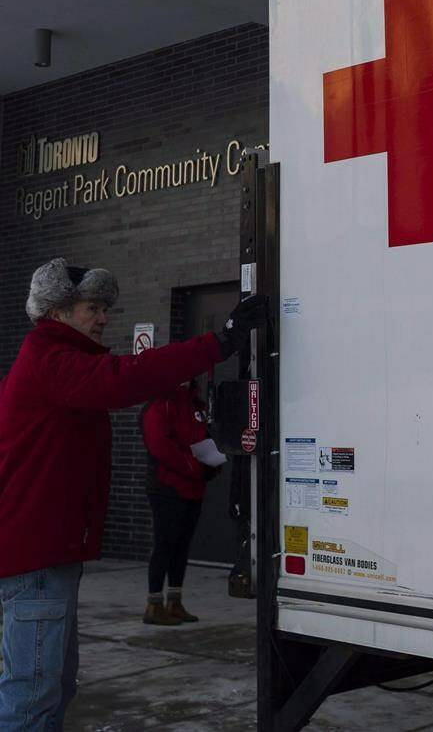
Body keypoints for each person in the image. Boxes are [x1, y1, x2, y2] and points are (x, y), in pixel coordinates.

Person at [0, 258, 268, 730]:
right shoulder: (51, 361)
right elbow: (127, 378)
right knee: (32, 694)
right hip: (35, 557)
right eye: (93, 308)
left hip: (47, 550)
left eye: (105, 308)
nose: (104, 318)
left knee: (55, 684)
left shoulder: (60, 360)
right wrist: (219, 341)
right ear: (59, 310)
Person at [141, 380, 223, 626]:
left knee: (181, 546)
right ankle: (154, 604)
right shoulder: (159, 404)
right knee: (164, 545)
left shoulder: (195, 403)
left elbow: (203, 435)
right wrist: (197, 468)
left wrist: (212, 462)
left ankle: (174, 601)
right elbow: (161, 447)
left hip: (193, 487)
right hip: (167, 487)